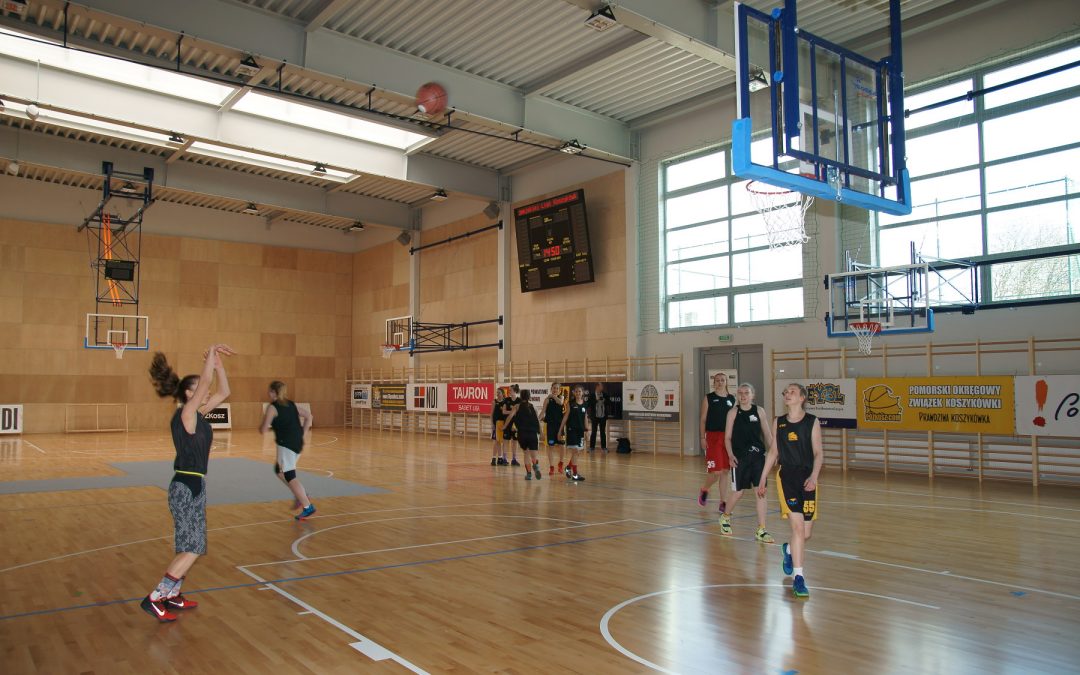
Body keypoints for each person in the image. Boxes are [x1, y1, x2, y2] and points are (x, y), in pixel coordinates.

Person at [143, 344, 233, 622]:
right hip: (185, 485)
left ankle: (172, 594)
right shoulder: (185, 414)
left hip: (194, 485)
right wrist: (209, 353)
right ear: (188, 393)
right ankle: (156, 597)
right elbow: (207, 383)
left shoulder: (199, 414)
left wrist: (218, 366)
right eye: (198, 388)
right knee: (194, 547)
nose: (205, 390)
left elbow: (224, 392)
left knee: (189, 544)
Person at [757, 383, 823, 599]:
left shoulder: (812, 422)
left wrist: (814, 476)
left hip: (808, 478)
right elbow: (773, 451)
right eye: (785, 392)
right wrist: (763, 477)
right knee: (797, 529)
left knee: (806, 534)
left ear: (802, 397)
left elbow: (819, 453)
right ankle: (799, 578)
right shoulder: (779, 422)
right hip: (787, 477)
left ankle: (787, 551)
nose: (787, 394)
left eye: (792, 391)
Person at [721, 383, 774, 542]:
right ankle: (725, 517)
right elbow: (727, 438)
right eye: (740, 393)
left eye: (746, 393)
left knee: (761, 491)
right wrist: (730, 455)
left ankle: (762, 529)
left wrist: (776, 453)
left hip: (758, 458)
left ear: (753, 395)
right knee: (738, 492)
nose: (743, 395)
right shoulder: (733, 412)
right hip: (740, 458)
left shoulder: (759, 411)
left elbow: (768, 435)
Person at [260, 381, 315, 520]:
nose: (268, 393)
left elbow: (264, 428)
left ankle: (307, 506)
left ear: (273, 392)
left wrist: (263, 425)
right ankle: (300, 495)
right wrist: (304, 432)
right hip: (295, 443)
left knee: (290, 476)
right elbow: (309, 416)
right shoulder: (292, 404)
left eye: (269, 391)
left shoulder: (273, 408)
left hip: (287, 446)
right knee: (278, 470)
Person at [698, 372, 735, 512]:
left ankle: (723, 502)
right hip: (713, 437)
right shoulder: (709, 398)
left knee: (725, 471)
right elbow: (702, 419)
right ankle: (705, 489)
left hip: (727, 437)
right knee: (716, 472)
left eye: (722, 380)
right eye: (717, 380)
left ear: (726, 382)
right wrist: (702, 437)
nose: (720, 382)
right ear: (714, 383)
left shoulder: (732, 399)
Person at [505, 389, 542, 480]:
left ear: (521, 397)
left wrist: (505, 426)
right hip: (533, 433)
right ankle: (536, 466)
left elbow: (510, 416)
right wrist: (541, 432)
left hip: (522, 433)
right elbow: (537, 420)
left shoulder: (517, 406)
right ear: (529, 397)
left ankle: (529, 474)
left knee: (526, 453)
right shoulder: (533, 407)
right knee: (534, 455)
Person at [541, 383, 566, 476]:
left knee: (562, 445)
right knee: (550, 446)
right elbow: (543, 412)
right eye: (554, 388)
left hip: (560, 426)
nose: (555, 390)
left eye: (557, 388)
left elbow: (560, 403)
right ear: (551, 389)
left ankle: (561, 463)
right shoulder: (547, 400)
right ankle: (551, 467)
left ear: (559, 390)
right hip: (550, 426)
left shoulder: (561, 397)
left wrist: (553, 396)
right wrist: (537, 419)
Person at [500, 385, 522, 466]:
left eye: (511, 390)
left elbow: (520, 412)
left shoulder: (519, 400)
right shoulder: (506, 400)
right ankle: (504, 458)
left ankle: (514, 459)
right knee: (505, 441)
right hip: (507, 423)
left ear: (515, 391)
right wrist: (513, 412)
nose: (509, 391)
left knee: (515, 441)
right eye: (509, 390)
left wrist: (513, 412)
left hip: (516, 424)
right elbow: (504, 411)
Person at [588, 383, 608, 452]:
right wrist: (596, 400)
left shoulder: (605, 395)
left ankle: (604, 447)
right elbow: (589, 404)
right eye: (600, 386)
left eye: (602, 386)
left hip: (603, 416)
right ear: (597, 387)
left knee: (603, 432)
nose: (602, 387)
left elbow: (609, 403)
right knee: (593, 432)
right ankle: (591, 447)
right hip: (594, 417)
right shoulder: (592, 395)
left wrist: (605, 401)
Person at [491, 388, 507, 466]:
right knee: (496, 442)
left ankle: (500, 458)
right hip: (496, 424)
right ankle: (494, 458)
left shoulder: (505, 402)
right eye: (497, 392)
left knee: (503, 442)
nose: (497, 394)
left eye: (499, 392)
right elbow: (491, 414)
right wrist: (492, 424)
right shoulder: (494, 402)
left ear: (503, 393)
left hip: (503, 424)